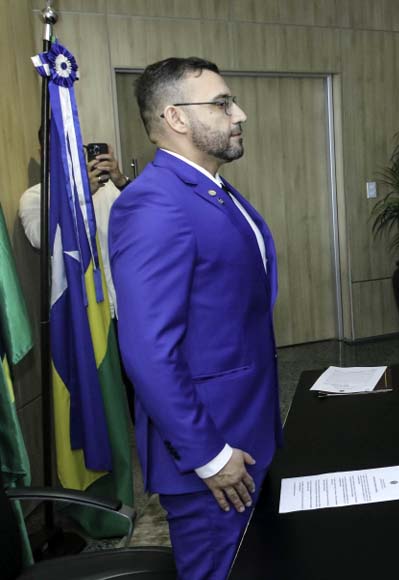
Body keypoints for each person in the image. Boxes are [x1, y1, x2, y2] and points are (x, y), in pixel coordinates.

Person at [108, 57, 281, 580]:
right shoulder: (156, 205)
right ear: (176, 118)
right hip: (213, 457)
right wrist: (209, 455)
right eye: (223, 104)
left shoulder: (211, 189)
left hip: (248, 432)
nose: (240, 114)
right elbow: (148, 352)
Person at [19, 140, 136, 419]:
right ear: (43, 151)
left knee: (142, 391)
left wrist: (121, 181)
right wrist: (76, 196)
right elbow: (41, 239)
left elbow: (149, 217)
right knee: (97, 404)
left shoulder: (110, 189)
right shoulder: (36, 197)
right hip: (83, 316)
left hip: (128, 309)